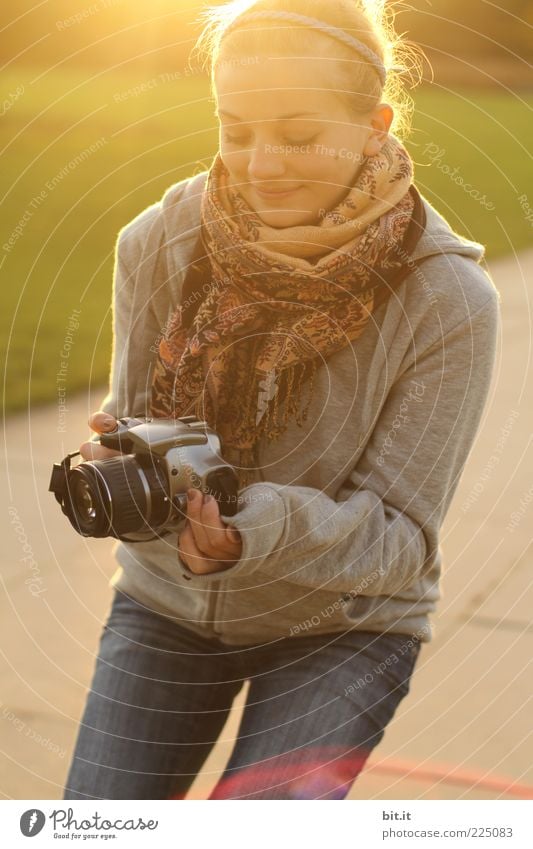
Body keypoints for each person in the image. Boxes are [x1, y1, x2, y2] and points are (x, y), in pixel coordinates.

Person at [63, 0, 499, 800]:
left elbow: (400, 540)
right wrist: (122, 464)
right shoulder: (157, 244)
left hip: (342, 627)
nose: (259, 165)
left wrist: (249, 531)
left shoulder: (447, 299)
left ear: (374, 123)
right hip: (168, 601)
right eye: (236, 131)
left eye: (297, 135)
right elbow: (132, 417)